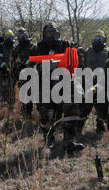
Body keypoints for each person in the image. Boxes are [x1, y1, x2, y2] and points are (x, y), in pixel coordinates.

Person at [35, 23, 84, 153]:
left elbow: (76, 56)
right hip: (45, 84)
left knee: (72, 103)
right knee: (46, 114)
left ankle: (69, 141)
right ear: (44, 34)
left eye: (54, 33)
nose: (51, 36)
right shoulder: (39, 47)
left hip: (64, 83)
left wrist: (78, 52)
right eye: (49, 33)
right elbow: (32, 66)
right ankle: (49, 140)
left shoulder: (65, 44)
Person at [82, 30, 109, 134]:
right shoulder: (87, 51)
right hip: (88, 82)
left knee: (102, 107)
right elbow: (83, 66)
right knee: (85, 106)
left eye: (100, 39)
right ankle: (79, 127)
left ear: (104, 40)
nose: (97, 41)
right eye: (96, 38)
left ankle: (101, 128)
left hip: (102, 84)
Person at [11, 28, 37, 118]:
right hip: (23, 78)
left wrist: (31, 64)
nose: (22, 37)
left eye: (23, 35)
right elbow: (13, 65)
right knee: (26, 99)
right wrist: (14, 78)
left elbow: (40, 60)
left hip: (35, 76)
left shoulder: (33, 47)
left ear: (26, 35)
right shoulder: (16, 49)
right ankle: (27, 117)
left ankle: (41, 118)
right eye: (19, 36)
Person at [0, 30, 15, 106]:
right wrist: (6, 68)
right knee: (3, 92)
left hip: (12, 75)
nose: (9, 39)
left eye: (11, 37)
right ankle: (1, 113)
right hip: (2, 74)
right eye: (7, 37)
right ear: (4, 38)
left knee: (12, 93)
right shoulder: (0, 48)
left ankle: (11, 110)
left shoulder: (14, 48)